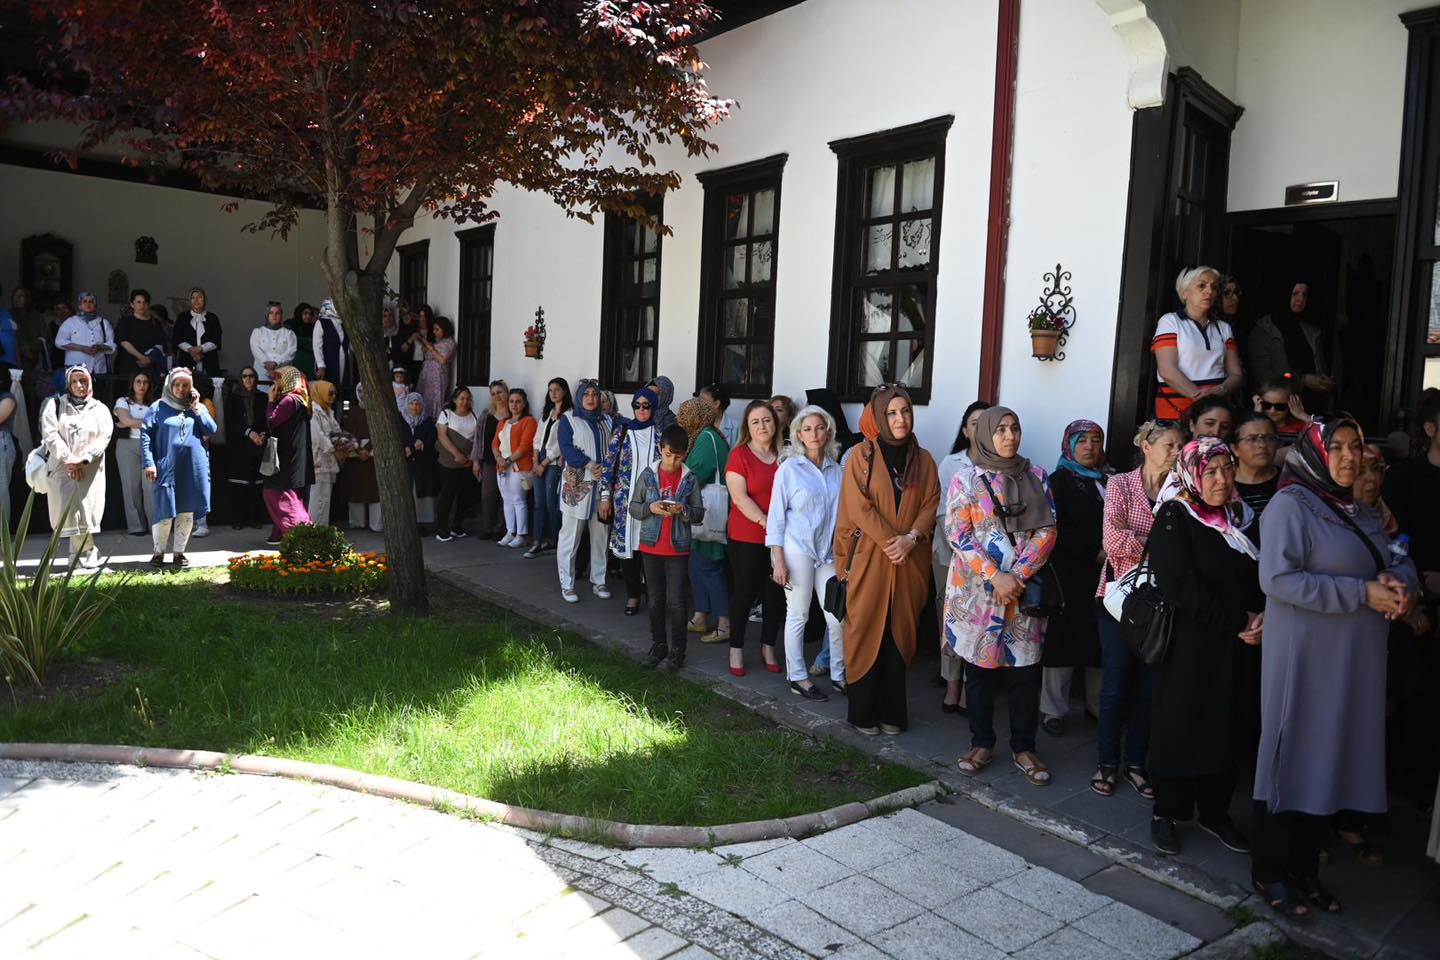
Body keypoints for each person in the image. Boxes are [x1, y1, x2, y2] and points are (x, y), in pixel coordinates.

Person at [1251, 418, 1417, 918]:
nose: (1349, 457)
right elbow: (1278, 580)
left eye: (1356, 447)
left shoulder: (1361, 509)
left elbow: (1395, 553)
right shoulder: (1290, 505)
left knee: (1330, 758)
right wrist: (1361, 593)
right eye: (1337, 447)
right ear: (1314, 455)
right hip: (1305, 656)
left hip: (1355, 660)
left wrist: (1400, 582)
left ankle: (1305, 870)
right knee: (1292, 755)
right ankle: (1269, 871)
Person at [1146, 438, 1262, 858]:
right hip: (1190, 647)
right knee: (1183, 725)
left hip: (1237, 645)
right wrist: (1238, 620)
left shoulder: (1241, 517)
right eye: (1210, 471)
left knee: (1227, 726)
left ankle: (1216, 812)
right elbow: (1180, 587)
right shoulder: (1176, 515)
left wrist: (1259, 618)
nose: (1221, 479)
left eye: (1227, 469)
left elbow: (1259, 576)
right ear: (1192, 474)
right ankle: (1167, 811)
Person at [946, 406, 1055, 779]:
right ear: (985, 434)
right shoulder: (966, 479)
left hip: (1023, 591)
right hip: (979, 592)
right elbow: (958, 533)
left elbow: (1048, 530)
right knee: (980, 671)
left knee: (1025, 673)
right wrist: (995, 576)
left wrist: (1017, 576)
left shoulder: (1037, 476)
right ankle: (981, 743)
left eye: (1015, 428)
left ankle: (1024, 748)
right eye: (1001, 429)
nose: (1010, 436)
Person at [835, 385, 939, 735]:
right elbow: (858, 507)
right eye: (892, 413)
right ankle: (862, 714)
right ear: (879, 416)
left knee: (900, 634)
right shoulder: (861, 456)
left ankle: (893, 714)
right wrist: (891, 541)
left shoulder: (924, 460)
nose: (900, 419)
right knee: (865, 630)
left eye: (905, 411)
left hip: (909, 561)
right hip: (870, 560)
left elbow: (931, 503)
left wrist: (911, 539)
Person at [1091, 420, 1182, 799]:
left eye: (1180, 446)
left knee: (1149, 686)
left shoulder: (1183, 489)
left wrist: (1140, 539)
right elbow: (1112, 542)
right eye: (1169, 445)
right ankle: (1106, 762)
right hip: (1120, 599)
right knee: (1115, 684)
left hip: (1163, 602)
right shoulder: (1121, 484)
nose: (1176, 452)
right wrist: (1162, 543)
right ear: (1147, 446)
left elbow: (1186, 545)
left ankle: (1136, 763)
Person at [767, 405, 846, 701]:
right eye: (808, 429)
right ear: (799, 434)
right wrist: (778, 560)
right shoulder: (789, 469)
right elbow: (776, 518)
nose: (814, 434)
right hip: (796, 549)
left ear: (828, 432)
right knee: (798, 613)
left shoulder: (837, 470)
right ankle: (798, 677)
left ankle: (839, 674)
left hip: (827, 553)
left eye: (820, 428)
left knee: (836, 616)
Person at [1040, 420, 1108, 737]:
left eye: (1096, 440)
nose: (1090, 447)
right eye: (1082, 441)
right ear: (1069, 445)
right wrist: (1091, 551)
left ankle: (1097, 705)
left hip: (1104, 576)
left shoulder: (1109, 480)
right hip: (1068, 574)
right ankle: (1052, 710)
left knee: (1098, 639)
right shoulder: (1059, 481)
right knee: (1063, 639)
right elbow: (1054, 528)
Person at [930, 400, 991, 709]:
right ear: (965, 431)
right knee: (950, 619)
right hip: (949, 555)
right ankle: (951, 684)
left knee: (978, 621)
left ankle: (970, 686)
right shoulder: (951, 463)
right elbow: (942, 513)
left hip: (988, 562)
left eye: (985, 423)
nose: (979, 429)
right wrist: (964, 551)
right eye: (974, 423)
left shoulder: (1002, 465)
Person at [629, 424, 705, 671]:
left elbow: (698, 513)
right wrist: (650, 508)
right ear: (661, 449)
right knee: (654, 600)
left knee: (676, 602)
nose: (672, 461)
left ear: (685, 454)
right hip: (651, 546)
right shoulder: (648, 474)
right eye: (668, 454)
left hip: (678, 549)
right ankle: (659, 645)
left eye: (678, 456)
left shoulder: (690, 478)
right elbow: (634, 507)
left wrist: (683, 510)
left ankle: (677, 651)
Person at [724, 400, 785, 676]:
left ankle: (768, 646)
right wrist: (766, 522)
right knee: (745, 592)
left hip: (780, 539)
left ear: (776, 423)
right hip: (747, 535)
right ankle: (736, 648)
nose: (762, 426)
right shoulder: (739, 455)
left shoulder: (785, 455)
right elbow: (739, 498)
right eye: (755, 422)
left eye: (767, 420)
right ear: (748, 427)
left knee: (775, 594)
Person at [141, 368, 217, 568]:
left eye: (185, 385)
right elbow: (146, 437)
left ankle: (179, 553)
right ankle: (158, 553)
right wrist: (149, 463)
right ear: (170, 385)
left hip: (192, 468)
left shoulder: (197, 407)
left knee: (186, 511)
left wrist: (196, 408)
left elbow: (211, 429)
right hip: (167, 468)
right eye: (177, 384)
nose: (181, 389)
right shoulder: (158, 407)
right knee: (164, 511)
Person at [40, 366, 113, 567]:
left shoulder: (100, 409)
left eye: (84, 380)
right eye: (74, 381)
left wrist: (84, 459)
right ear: (68, 384)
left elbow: (104, 437)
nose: (79, 385)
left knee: (87, 510)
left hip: (89, 469)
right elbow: (50, 434)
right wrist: (69, 460)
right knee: (68, 512)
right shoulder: (54, 405)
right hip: (63, 468)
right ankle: (82, 552)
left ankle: (84, 552)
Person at [1152, 266, 1242, 419]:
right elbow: (1167, 370)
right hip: (1176, 413)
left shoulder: (1223, 328)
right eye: (1201, 286)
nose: (1209, 291)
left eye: (1214, 287)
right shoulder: (1170, 322)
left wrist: (1221, 390)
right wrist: (1202, 399)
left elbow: (1236, 375)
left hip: (1216, 415)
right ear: (1184, 292)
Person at [601, 387, 661, 613]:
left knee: (649, 549)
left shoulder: (661, 434)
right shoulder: (622, 432)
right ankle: (633, 596)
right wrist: (605, 498)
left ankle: (653, 597)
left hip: (652, 503)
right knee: (628, 550)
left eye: (646, 405)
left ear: (654, 407)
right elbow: (608, 466)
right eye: (637, 405)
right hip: (624, 502)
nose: (641, 410)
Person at [680, 396, 732, 642]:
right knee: (697, 565)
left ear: (696, 417)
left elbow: (695, 474)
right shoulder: (707, 434)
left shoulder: (705, 438)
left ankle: (724, 623)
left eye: (685, 415)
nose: (681, 420)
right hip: (702, 512)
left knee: (709, 568)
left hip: (709, 513)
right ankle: (700, 616)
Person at [556, 382, 612, 603]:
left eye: (595, 394)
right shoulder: (568, 419)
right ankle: (567, 584)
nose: (590, 398)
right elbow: (566, 448)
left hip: (602, 488)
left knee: (600, 537)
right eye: (586, 394)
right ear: (579, 397)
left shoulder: (606, 420)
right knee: (570, 537)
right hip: (577, 487)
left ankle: (599, 581)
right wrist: (589, 464)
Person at [1248, 281, 1334, 408]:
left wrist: (1326, 384)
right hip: (1278, 409)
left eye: (1304, 295)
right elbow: (1264, 378)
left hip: (1313, 408)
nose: (1300, 299)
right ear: (1284, 295)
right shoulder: (1263, 332)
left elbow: (1320, 370)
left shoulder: (1311, 333)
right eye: (1295, 294)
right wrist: (1303, 380)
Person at [262, 366, 313, 543]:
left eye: (278, 378)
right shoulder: (301, 399)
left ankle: (301, 534)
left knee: (277, 494)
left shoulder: (289, 400)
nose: (275, 382)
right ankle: (278, 534)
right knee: (292, 495)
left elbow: (272, 420)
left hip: (286, 457)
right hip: (296, 457)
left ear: (288, 380)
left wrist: (270, 401)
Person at [526, 378, 572, 559]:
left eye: (557, 390)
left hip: (552, 463)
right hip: (539, 458)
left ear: (564, 391)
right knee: (538, 503)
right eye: (550, 390)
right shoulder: (548, 412)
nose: (553, 393)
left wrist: (544, 463)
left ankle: (554, 539)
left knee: (551, 503)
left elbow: (562, 443)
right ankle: (537, 540)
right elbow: (537, 438)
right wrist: (535, 460)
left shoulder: (569, 414)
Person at [222, 368, 269, 529]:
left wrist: (262, 434)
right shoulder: (233, 398)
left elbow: (266, 419)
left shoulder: (262, 397)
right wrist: (249, 433)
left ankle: (254, 519)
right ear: (240, 379)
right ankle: (238, 520)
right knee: (238, 484)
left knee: (256, 485)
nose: (248, 379)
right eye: (244, 376)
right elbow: (230, 421)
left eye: (251, 376)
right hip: (239, 446)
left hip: (257, 446)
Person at [434, 386, 480, 542]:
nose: (465, 401)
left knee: (465, 496)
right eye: (462, 398)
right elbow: (442, 436)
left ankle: (457, 526)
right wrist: (457, 454)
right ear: (454, 399)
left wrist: (471, 458)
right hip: (449, 462)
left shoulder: (474, 415)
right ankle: (442, 528)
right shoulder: (446, 414)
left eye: (468, 399)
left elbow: (477, 439)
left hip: (467, 462)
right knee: (447, 495)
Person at [113, 370, 156, 536]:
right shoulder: (123, 401)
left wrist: (131, 422)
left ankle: (156, 526)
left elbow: (160, 424)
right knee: (131, 487)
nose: (142, 385)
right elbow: (125, 420)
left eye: (145, 382)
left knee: (151, 487)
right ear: (132, 383)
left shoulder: (154, 404)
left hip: (150, 446)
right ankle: (136, 526)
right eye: (138, 381)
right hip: (127, 445)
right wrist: (144, 423)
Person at [494, 387, 537, 549]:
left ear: (524, 404)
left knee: (519, 500)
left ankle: (521, 535)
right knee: (507, 500)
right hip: (502, 466)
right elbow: (494, 444)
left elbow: (525, 446)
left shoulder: (529, 421)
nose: (514, 405)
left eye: (518, 401)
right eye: (511, 401)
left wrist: (507, 461)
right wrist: (499, 459)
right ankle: (510, 532)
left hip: (518, 467)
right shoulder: (502, 422)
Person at [473, 380, 509, 539]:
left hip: (508, 462)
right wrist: (476, 461)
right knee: (488, 496)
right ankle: (488, 527)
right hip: (489, 461)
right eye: (493, 393)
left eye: (500, 392)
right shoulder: (486, 415)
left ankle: (501, 529)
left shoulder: (513, 414)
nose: (497, 396)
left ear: (506, 392)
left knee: (505, 497)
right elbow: (478, 439)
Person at [343, 383, 381, 532]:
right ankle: (357, 522)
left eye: (366, 390)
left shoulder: (377, 410)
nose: (363, 394)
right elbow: (347, 432)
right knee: (355, 490)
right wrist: (359, 449)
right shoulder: (351, 411)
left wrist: (367, 448)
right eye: (360, 391)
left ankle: (376, 524)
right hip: (355, 457)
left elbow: (379, 430)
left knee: (375, 491)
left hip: (373, 455)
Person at [398, 391, 437, 530]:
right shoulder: (400, 420)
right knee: (408, 492)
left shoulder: (427, 421)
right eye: (412, 403)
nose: (415, 407)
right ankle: (408, 523)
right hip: (406, 463)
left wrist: (422, 444)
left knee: (423, 493)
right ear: (406, 405)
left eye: (418, 404)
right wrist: (411, 446)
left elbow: (432, 440)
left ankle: (423, 524)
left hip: (423, 464)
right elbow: (398, 439)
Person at [1233, 412, 1281, 517]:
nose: (1262, 445)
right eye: (1252, 439)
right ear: (1235, 448)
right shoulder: (1225, 485)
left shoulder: (1289, 482)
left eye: (1269, 438)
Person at [308, 380, 342, 527]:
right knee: (318, 496)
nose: (333, 396)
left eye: (335, 393)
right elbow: (318, 437)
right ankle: (313, 529)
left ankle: (323, 528)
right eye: (330, 393)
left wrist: (342, 446)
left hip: (329, 460)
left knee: (326, 496)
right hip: (319, 459)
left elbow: (337, 432)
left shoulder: (328, 411)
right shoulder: (314, 411)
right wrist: (334, 449)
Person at [56, 293, 116, 375]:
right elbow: (59, 341)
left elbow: (112, 344)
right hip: (76, 370)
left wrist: (99, 347)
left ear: (95, 305)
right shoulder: (70, 322)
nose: (88, 304)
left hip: (99, 369)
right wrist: (82, 348)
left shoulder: (104, 323)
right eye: (84, 301)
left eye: (91, 302)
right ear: (80, 305)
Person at [115, 289, 168, 376]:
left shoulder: (155, 323)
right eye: (138, 302)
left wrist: (150, 359)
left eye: (145, 302)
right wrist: (142, 358)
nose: (142, 305)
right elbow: (124, 342)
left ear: (148, 304)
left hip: (150, 367)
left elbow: (160, 344)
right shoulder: (125, 321)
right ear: (132, 304)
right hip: (129, 366)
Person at [173, 286, 222, 376]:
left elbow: (216, 338)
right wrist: (191, 350)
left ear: (204, 299)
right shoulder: (182, 317)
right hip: (186, 360)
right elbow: (177, 337)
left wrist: (200, 349)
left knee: (210, 382)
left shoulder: (212, 318)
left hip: (209, 360)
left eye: (199, 297)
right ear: (189, 300)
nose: (196, 300)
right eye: (193, 297)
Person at [418, 315, 456, 419]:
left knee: (436, 399)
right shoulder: (437, 342)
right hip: (427, 376)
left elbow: (442, 360)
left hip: (438, 376)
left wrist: (430, 348)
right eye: (434, 329)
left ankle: (435, 421)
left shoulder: (449, 343)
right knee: (424, 398)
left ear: (444, 329)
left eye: (437, 329)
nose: (434, 332)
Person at [1253, 375, 1310, 444]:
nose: (1272, 411)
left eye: (1279, 406)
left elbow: (1321, 433)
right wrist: (1257, 416)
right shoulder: (1253, 424)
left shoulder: (1303, 426)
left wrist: (1302, 414)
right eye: (1267, 405)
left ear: (1293, 403)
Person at [250, 301, 297, 383]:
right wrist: (267, 363)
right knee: (261, 391)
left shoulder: (289, 333)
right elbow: (256, 350)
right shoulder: (258, 332)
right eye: (271, 313)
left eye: (277, 313)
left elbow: (291, 351)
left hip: (283, 373)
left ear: (281, 315)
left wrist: (276, 363)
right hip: (262, 372)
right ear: (267, 315)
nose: (274, 316)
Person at [313, 299, 349, 391]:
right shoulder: (321, 323)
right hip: (328, 363)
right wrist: (321, 365)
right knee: (329, 390)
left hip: (343, 361)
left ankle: (344, 401)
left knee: (343, 389)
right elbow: (317, 346)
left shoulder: (343, 323)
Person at [698, 382, 739, 447]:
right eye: (698, 400)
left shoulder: (736, 427)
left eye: (703, 401)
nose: (698, 404)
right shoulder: (696, 423)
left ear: (716, 404)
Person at [286, 302, 318, 378]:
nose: (308, 316)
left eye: (310, 314)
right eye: (305, 313)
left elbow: (315, 345)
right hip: (294, 365)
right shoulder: (290, 324)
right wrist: (307, 340)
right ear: (299, 313)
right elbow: (291, 340)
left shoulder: (313, 328)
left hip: (310, 367)